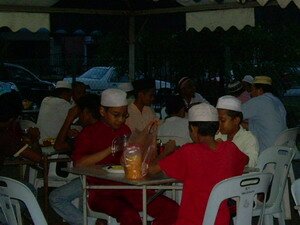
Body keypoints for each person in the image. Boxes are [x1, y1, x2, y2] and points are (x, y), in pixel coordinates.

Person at [72, 88, 178, 225]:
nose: (121, 119)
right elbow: (79, 164)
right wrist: (111, 149)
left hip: (128, 187)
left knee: (172, 209)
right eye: (116, 115)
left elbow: (133, 159)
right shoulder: (89, 133)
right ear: (102, 111)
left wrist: (148, 137)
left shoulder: (124, 130)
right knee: (129, 216)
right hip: (100, 192)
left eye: (124, 115)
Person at [148, 103, 249, 225]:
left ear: (194, 129)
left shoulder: (188, 152)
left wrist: (167, 151)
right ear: (217, 128)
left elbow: (151, 170)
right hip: (222, 221)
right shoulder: (230, 149)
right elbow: (245, 160)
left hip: (191, 221)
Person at [49, 94, 104, 225]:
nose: (78, 117)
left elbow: (58, 146)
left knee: (55, 198)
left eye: (79, 113)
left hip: (91, 179)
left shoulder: (88, 133)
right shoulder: (102, 127)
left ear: (86, 112)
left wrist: (69, 118)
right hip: (102, 177)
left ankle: (91, 223)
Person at [242, 76, 287, 152]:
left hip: (267, 152)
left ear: (260, 90)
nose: (251, 93)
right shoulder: (277, 101)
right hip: (282, 149)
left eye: (252, 90)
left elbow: (233, 112)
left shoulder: (259, 101)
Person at [215, 95, 259, 167]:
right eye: (217, 120)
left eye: (222, 120)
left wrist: (227, 149)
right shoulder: (217, 135)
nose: (218, 123)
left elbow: (251, 163)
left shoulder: (249, 139)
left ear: (236, 120)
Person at [36, 80, 72, 145]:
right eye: (70, 95)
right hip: (51, 142)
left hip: (39, 140)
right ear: (65, 93)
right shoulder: (63, 103)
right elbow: (75, 119)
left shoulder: (45, 100)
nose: (70, 98)